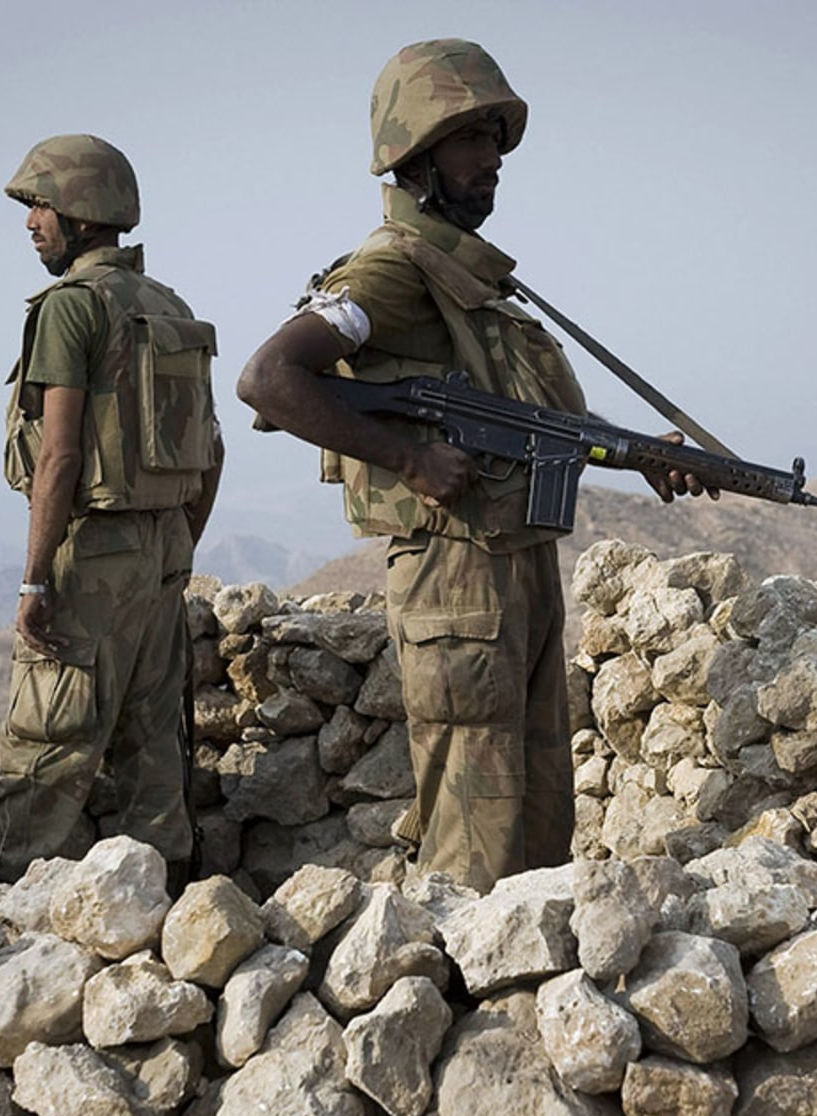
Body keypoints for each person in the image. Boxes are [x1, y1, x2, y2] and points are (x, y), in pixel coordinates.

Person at [238, 40, 708, 893]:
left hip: (516, 564)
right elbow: (268, 380)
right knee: (472, 831)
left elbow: (531, 420)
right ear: (415, 158)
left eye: (496, 140)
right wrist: (409, 457)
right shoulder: (387, 270)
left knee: (537, 823)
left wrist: (637, 456)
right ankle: (459, 997)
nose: (492, 161)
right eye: (470, 141)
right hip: (455, 576)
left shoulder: (470, 281)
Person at [0, 133, 223, 883]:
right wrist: (175, 542)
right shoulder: (168, 307)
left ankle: (7, 909)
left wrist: (35, 580)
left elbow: (58, 457)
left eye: (41, 206)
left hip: (94, 552)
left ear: (82, 212)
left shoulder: (71, 310)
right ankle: (171, 909)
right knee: (153, 743)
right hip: (162, 549)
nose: (30, 224)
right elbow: (210, 452)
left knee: (49, 738)